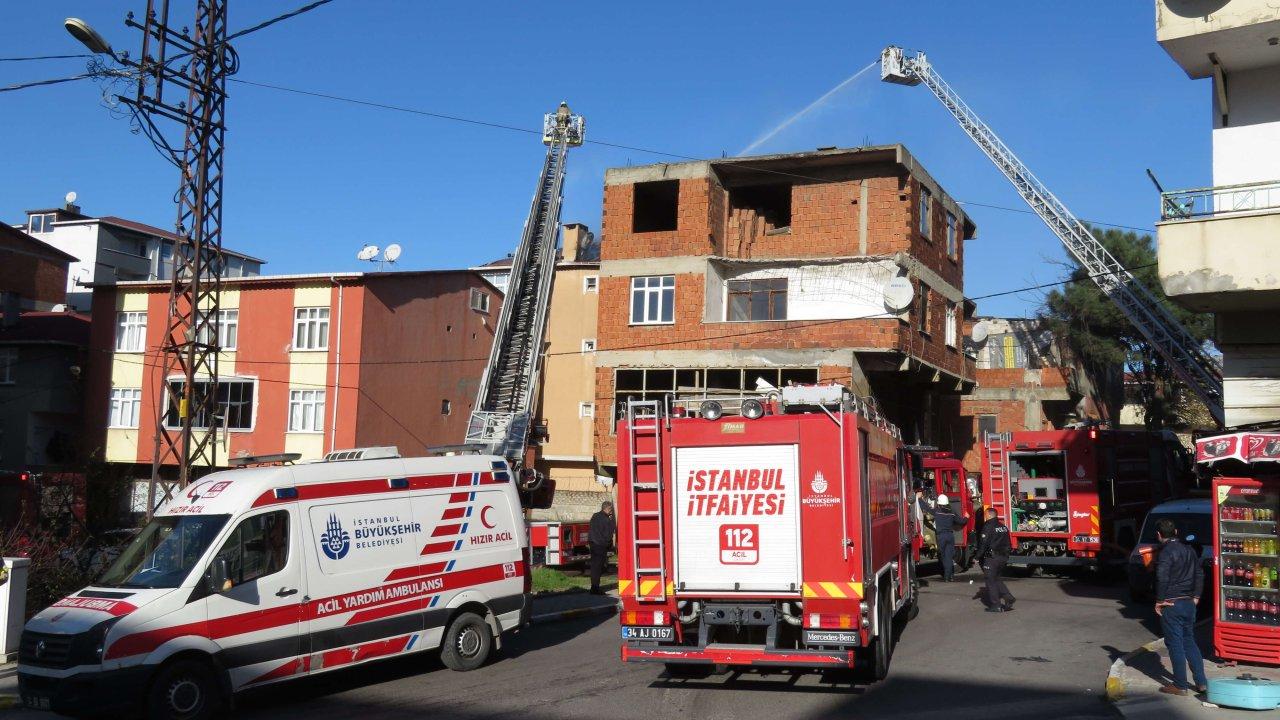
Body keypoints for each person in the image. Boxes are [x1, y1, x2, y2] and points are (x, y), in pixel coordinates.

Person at [1154, 517, 1208, 696]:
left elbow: (1162, 577)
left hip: (1172, 603)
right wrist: (1196, 596)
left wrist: (1160, 600)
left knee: (1175, 643)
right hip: (1188, 602)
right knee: (1189, 641)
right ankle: (1201, 683)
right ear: (1176, 532)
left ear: (1159, 535)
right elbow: (1200, 574)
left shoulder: (1166, 553)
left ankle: (1180, 685)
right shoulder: (1190, 550)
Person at [975, 506, 1015, 612]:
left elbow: (983, 544)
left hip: (992, 558)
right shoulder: (1003, 527)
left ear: (988, 515)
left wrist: (977, 557)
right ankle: (1008, 597)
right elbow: (1008, 544)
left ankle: (995, 605)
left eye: (985, 514)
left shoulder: (988, 527)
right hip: (1003, 557)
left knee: (990, 580)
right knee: (996, 578)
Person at [929, 494, 969, 582]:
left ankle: (947, 577)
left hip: (941, 536)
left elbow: (926, 508)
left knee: (944, 557)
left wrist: (919, 498)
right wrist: (966, 517)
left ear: (938, 503)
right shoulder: (951, 512)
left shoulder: (936, 512)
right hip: (950, 536)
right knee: (949, 557)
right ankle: (951, 576)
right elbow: (961, 521)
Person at [588, 500, 617, 595]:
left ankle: (593, 587)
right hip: (601, 546)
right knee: (599, 567)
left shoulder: (595, 516)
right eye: (611, 510)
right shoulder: (607, 520)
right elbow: (609, 535)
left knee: (594, 567)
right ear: (608, 508)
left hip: (593, 544)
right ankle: (595, 588)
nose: (611, 511)